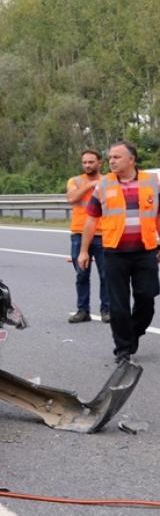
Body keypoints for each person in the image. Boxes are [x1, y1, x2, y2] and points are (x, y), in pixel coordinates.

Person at [78, 141, 160, 362]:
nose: (112, 161)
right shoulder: (104, 184)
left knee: (147, 298)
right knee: (118, 305)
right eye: (110, 157)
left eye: (117, 157)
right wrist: (84, 251)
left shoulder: (152, 181)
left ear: (131, 160)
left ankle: (133, 334)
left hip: (146, 251)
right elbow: (91, 219)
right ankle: (123, 349)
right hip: (114, 252)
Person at [66, 149, 109, 323]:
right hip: (79, 233)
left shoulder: (109, 181)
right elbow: (71, 198)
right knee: (81, 275)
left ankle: (107, 310)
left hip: (103, 233)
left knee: (106, 274)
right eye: (84, 162)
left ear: (100, 163)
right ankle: (83, 310)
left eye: (91, 162)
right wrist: (90, 186)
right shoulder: (75, 181)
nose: (87, 165)